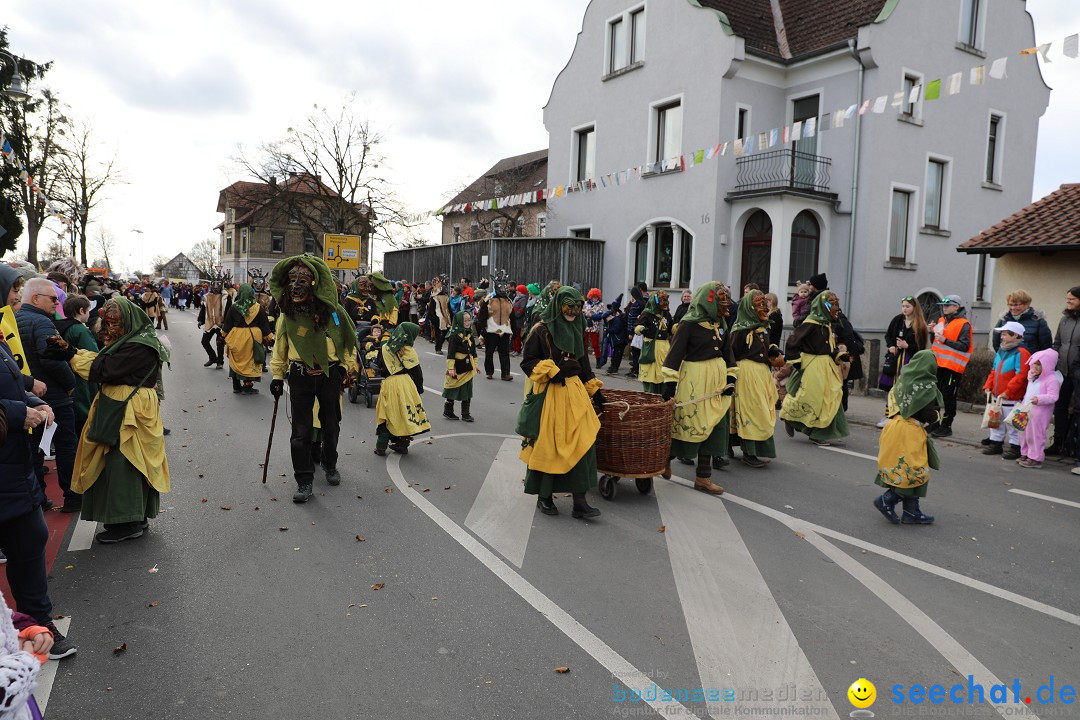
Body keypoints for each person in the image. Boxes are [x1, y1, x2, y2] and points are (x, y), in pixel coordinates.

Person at [47, 297, 170, 545]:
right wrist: (71, 352)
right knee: (124, 462)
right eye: (107, 322)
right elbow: (104, 361)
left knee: (124, 462)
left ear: (127, 321)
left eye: (114, 323)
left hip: (128, 411)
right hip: (124, 406)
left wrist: (71, 355)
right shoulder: (131, 340)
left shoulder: (139, 346)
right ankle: (133, 517)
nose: (109, 328)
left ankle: (128, 521)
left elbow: (104, 370)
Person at [268, 256, 357, 503]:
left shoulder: (334, 312)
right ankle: (304, 480)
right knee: (300, 431)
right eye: (292, 280)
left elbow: (347, 342)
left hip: (330, 374)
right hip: (300, 376)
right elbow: (280, 346)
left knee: (331, 424)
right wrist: (277, 375)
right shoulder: (288, 316)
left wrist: (346, 369)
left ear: (315, 283)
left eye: (302, 280)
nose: (296, 285)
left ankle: (330, 464)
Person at [518, 286, 604, 518]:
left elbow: (584, 363)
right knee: (550, 447)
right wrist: (554, 371)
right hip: (551, 394)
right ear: (558, 305)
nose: (574, 312)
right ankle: (544, 497)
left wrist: (595, 391)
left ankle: (580, 501)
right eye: (570, 307)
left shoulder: (578, 326)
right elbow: (527, 362)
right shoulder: (541, 329)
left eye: (578, 308)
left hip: (575, 395)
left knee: (583, 442)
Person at [660, 282, 734, 493]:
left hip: (717, 385)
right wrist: (669, 386)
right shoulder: (688, 324)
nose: (724, 304)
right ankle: (666, 459)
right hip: (694, 382)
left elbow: (728, 352)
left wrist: (731, 379)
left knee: (714, 426)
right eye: (720, 299)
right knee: (690, 426)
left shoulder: (721, 324)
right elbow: (673, 356)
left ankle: (703, 477)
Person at [16, 278, 80, 513]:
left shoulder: (14, 320)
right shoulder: (42, 323)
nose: (57, 303)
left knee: (33, 449)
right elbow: (52, 357)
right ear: (35, 298)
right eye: (52, 298)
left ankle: (38, 499)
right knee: (66, 445)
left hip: (27, 398)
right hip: (54, 397)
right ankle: (73, 497)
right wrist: (70, 383)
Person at [873, 350, 942, 525]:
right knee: (914, 470)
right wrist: (936, 416)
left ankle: (911, 511)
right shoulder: (925, 385)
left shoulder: (902, 381)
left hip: (893, 427)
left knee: (900, 467)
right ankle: (888, 499)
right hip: (910, 431)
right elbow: (927, 414)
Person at [779, 290, 850, 446]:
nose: (834, 307)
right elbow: (792, 342)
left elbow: (828, 347)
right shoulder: (811, 323)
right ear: (822, 305)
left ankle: (819, 432)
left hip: (827, 366)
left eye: (835, 304)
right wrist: (797, 362)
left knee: (831, 397)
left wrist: (839, 355)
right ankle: (791, 417)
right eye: (830, 304)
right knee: (812, 398)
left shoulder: (828, 325)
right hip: (813, 365)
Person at [729, 290, 782, 468]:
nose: (763, 307)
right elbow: (732, 352)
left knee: (763, 410)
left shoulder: (764, 326)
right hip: (747, 373)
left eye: (764, 304)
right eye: (758, 304)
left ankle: (736, 446)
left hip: (762, 373)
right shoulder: (741, 329)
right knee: (752, 412)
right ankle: (749, 452)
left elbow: (765, 346)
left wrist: (773, 351)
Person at [374, 323, 430, 455]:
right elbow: (417, 373)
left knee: (387, 414)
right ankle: (402, 444)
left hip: (389, 384)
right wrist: (418, 390)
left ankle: (381, 446)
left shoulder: (384, 348)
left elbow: (378, 366)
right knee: (405, 414)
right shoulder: (408, 351)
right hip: (405, 384)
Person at [877, 296, 931, 426]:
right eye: (903, 306)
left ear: (914, 308)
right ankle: (889, 415)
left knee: (906, 388)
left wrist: (908, 346)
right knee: (892, 387)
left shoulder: (920, 325)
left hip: (910, 361)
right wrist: (891, 346)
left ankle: (906, 415)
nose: (904, 309)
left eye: (908, 306)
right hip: (895, 359)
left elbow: (921, 346)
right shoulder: (897, 320)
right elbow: (889, 335)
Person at [981, 321, 1030, 459]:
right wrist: (988, 386)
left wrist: (1009, 392)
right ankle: (996, 443)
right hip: (998, 395)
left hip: (1011, 397)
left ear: (1015, 335)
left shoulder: (1022, 352)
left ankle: (1016, 447)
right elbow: (994, 370)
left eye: (1004, 334)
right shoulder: (1002, 350)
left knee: (1012, 422)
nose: (1001, 337)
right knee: (996, 420)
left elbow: (1021, 375)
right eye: (1001, 334)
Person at [55, 294, 100, 437]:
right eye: (88, 311)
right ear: (81, 311)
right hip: (82, 379)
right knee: (84, 415)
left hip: (68, 375)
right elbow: (94, 356)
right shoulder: (81, 330)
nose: (89, 314)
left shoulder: (62, 325)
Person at [928, 295, 972, 438]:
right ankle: (935, 422)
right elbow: (936, 342)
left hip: (953, 368)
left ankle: (946, 426)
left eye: (947, 305)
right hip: (939, 365)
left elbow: (964, 346)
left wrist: (945, 340)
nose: (944, 307)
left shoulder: (964, 324)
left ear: (956, 307)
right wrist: (932, 332)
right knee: (935, 394)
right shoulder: (942, 321)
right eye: (943, 305)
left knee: (948, 397)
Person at [222, 284, 273, 395]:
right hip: (252, 338)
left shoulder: (234, 307)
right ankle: (247, 385)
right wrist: (269, 338)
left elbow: (227, 324)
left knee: (235, 360)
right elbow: (264, 326)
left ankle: (236, 386)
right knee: (250, 361)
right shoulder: (257, 308)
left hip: (236, 337)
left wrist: (222, 336)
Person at [1050, 286, 1080, 460]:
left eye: (1072, 299)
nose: (1068, 301)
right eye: (1067, 298)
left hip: (1078, 372)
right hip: (1063, 371)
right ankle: (1059, 442)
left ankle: (1072, 444)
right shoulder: (1064, 320)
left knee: (1077, 409)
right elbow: (1057, 343)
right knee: (1060, 406)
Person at [1017, 349, 1061, 469]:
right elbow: (1028, 392)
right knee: (1024, 433)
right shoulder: (1033, 376)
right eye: (1034, 363)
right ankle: (1025, 453)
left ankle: (1035, 458)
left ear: (1048, 365)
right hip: (1027, 410)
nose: (1035, 367)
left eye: (1039, 364)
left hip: (1040, 414)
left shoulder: (1052, 380)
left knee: (1036, 435)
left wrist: (1039, 399)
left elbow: (1053, 396)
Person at [992, 289, 1053, 353]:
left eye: (1016, 305)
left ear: (1026, 304)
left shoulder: (1038, 322)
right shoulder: (1003, 320)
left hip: (1029, 361)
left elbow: (1046, 348)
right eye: (1010, 304)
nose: (1013, 308)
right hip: (1007, 361)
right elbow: (996, 343)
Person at [442, 311, 478, 422]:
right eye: (465, 320)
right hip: (457, 366)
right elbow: (451, 353)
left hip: (467, 367)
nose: (468, 322)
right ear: (459, 321)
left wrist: (475, 365)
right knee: (452, 388)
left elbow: (473, 352)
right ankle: (448, 411)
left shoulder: (469, 334)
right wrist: (451, 368)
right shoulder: (454, 336)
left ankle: (465, 414)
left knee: (467, 390)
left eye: (469, 320)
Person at [477, 281, 515, 381]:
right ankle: (489, 372)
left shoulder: (508, 301)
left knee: (504, 353)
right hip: (491, 330)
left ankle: (505, 373)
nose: (502, 290)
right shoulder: (489, 300)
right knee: (489, 352)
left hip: (505, 330)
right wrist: (482, 330)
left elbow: (512, 316)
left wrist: (514, 330)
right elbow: (482, 315)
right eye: (500, 288)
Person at [636, 291, 672, 394]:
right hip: (651, 348)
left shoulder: (666, 314)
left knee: (663, 375)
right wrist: (642, 329)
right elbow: (637, 326)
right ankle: (649, 397)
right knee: (650, 375)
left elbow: (671, 328)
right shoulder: (647, 313)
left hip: (664, 348)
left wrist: (680, 328)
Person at [625, 283, 647, 379]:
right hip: (641, 331)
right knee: (639, 351)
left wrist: (630, 332)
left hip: (636, 332)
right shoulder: (643, 303)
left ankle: (635, 370)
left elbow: (631, 319)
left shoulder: (636, 304)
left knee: (635, 352)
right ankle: (637, 369)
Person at [602, 295, 627, 376]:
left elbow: (616, 329)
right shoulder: (615, 318)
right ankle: (612, 367)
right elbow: (604, 316)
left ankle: (614, 368)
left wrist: (608, 330)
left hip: (620, 340)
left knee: (617, 356)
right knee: (615, 355)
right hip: (617, 340)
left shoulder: (618, 319)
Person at [428, 279, 451, 355]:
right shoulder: (434, 298)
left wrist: (451, 317)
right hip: (438, 318)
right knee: (438, 334)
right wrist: (433, 319)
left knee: (446, 333)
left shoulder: (446, 298)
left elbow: (449, 308)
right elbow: (431, 309)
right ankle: (438, 348)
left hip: (446, 318)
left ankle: (444, 346)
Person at [583, 288, 605, 364]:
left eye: (596, 297)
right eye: (593, 296)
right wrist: (586, 315)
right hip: (585, 326)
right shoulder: (586, 303)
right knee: (584, 343)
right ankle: (583, 359)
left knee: (595, 344)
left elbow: (600, 316)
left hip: (595, 327)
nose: (594, 298)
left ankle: (598, 359)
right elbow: (582, 313)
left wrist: (591, 316)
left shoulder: (601, 305)